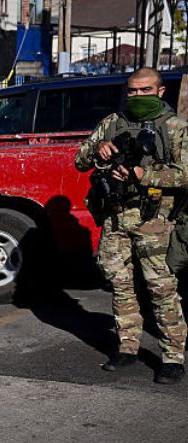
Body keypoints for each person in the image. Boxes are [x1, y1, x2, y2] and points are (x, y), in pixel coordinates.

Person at [75, 67, 187, 384]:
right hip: (115, 218)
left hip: (156, 221)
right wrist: (99, 151)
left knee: (161, 290)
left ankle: (173, 357)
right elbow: (79, 159)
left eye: (145, 90)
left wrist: (142, 175)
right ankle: (127, 348)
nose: (137, 96)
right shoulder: (112, 123)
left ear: (160, 92)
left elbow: (185, 174)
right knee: (120, 285)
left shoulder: (176, 128)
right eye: (133, 91)